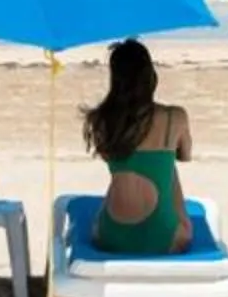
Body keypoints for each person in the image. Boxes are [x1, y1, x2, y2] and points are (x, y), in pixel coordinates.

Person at [82, 37, 196, 255]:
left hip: (109, 236)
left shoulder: (102, 120)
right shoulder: (174, 117)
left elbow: (109, 156)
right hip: (164, 239)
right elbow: (186, 155)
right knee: (169, 168)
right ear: (150, 76)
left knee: (124, 170)